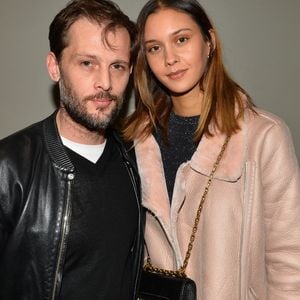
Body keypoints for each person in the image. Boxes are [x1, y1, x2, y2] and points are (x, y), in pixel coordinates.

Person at [123, 0, 300, 299]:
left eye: (181, 39)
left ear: (209, 42)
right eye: (154, 47)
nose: (170, 58)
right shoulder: (132, 141)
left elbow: (289, 261)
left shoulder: (263, 136)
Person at [0, 0, 144, 299]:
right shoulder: (7, 167)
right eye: (87, 63)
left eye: (117, 66)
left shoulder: (136, 161)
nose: (104, 82)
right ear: (55, 67)